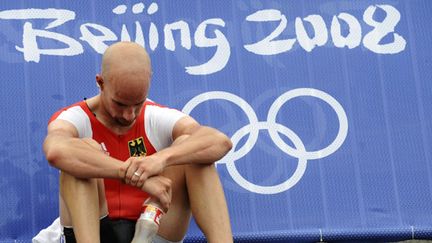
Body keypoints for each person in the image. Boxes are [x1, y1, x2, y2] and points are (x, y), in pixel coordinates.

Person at [42, 41, 233, 243]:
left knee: (192, 147)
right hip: (96, 230)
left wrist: (161, 159)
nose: (128, 115)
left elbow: (220, 142)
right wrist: (135, 176)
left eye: (138, 104)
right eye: (120, 104)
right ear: (100, 83)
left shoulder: (156, 115)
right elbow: (56, 151)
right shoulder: (73, 117)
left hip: (153, 226)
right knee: (81, 151)